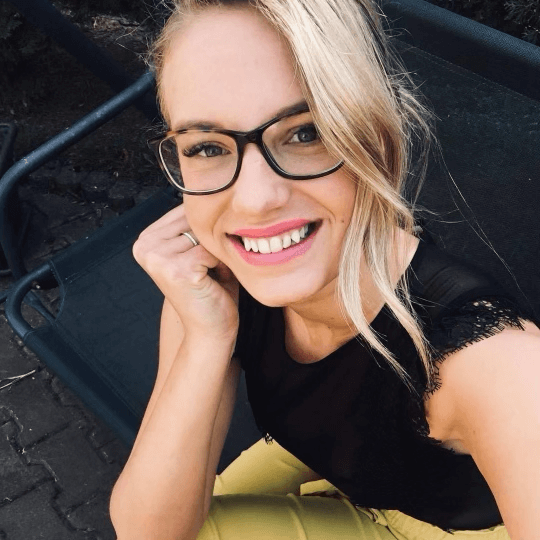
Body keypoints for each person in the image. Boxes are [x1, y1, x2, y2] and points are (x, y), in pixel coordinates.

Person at [109, 0, 540, 539]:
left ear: (378, 137)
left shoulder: (495, 367)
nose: (253, 201)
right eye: (208, 147)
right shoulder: (218, 282)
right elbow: (146, 529)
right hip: (342, 464)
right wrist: (205, 336)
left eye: (305, 133)